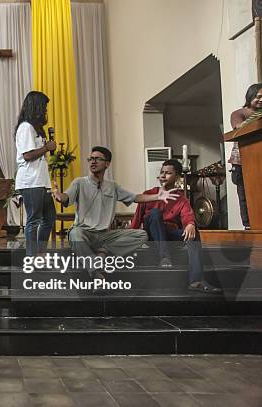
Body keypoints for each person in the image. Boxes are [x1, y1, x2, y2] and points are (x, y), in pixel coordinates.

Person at [54, 147, 178, 280]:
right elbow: (66, 197)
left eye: (97, 159)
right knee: (74, 233)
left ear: (107, 163)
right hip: (84, 232)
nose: (92, 162)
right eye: (90, 159)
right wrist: (60, 196)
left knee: (141, 234)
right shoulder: (79, 182)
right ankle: (96, 271)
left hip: (104, 236)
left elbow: (135, 197)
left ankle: (103, 251)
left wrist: (157, 197)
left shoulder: (113, 186)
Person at [131, 159, 222, 294]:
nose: (163, 175)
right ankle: (165, 257)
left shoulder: (181, 198)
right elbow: (136, 220)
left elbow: (187, 216)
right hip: (151, 235)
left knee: (193, 232)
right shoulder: (149, 194)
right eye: (162, 172)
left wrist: (191, 224)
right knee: (155, 213)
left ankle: (196, 281)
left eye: (168, 173)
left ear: (177, 177)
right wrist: (131, 239)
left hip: (169, 234)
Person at [15, 91, 57, 256]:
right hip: (31, 180)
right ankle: (32, 257)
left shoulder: (35, 128)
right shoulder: (26, 127)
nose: (46, 110)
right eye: (44, 107)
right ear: (36, 107)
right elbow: (27, 155)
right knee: (33, 220)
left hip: (41, 180)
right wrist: (47, 148)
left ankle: (40, 252)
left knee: (49, 217)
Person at [229, 83, 262, 230]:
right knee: (245, 197)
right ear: (250, 96)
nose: (261, 100)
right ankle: (249, 226)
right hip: (242, 162)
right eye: (258, 97)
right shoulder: (239, 113)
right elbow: (239, 128)